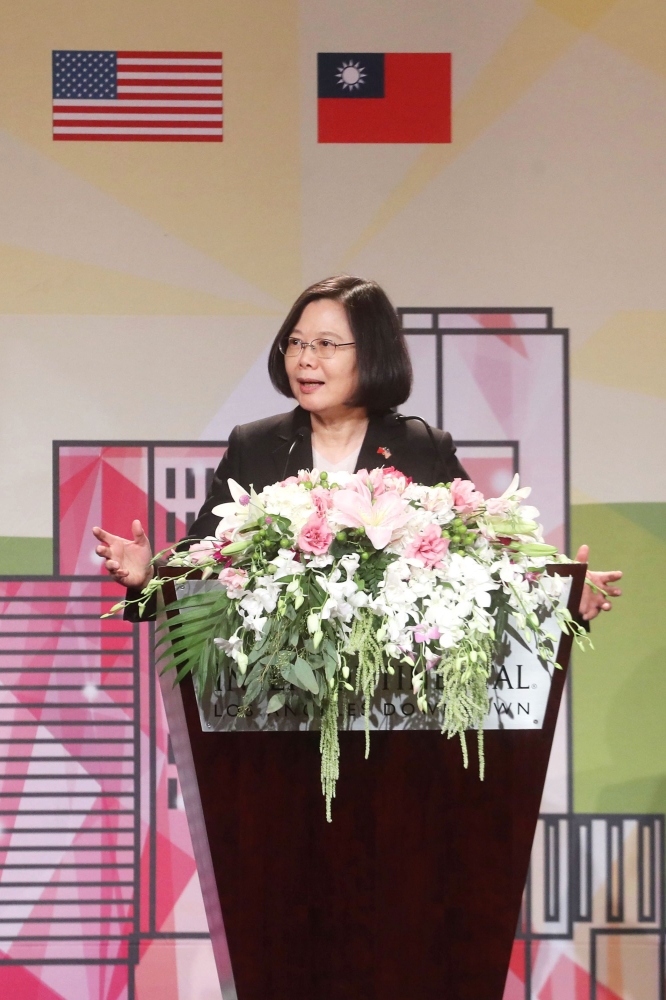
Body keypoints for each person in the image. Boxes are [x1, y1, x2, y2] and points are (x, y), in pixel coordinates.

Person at [92, 275, 622, 621]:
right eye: (296, 343)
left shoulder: (420, 449)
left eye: (325, 345)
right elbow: (206, 560)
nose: (305, 359)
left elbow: (480, 557)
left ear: (371, 355)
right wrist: (150, 575)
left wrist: (563, 593)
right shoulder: (255, 446)